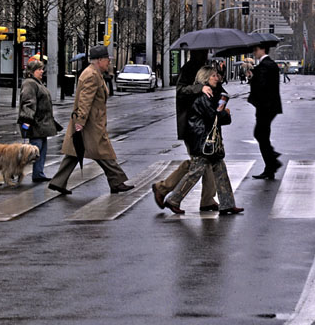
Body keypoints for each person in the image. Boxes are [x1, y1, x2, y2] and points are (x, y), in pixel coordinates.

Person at [48, 45, 134, 195]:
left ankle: (58, 182)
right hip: (91, 124)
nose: (109, 63)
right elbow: (85, 100)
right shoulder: (92, 75)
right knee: (104, 153)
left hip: (89, 122)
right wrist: (80, 122)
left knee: (75, 152)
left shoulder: (93, 72)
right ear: (99, 60)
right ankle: (117, 181)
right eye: (107, 60)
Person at [163, 66, 243, 215]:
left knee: (220, 169)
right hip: (202, 140)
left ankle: (227, 204)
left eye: (217, 75)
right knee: (195, 172)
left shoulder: (211, 94)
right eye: (213, 76)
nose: (216, 78)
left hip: (207, 140)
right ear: (205, 79)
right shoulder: (203, 97)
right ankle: (173, 199)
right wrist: (226, 114)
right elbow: (214, 117)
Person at [152, 49, 222, 212]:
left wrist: (217, 81)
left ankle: (207, 200)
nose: (205, 55)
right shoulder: (189, 68)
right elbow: (181, 90)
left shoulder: (205, 68)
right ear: (194, 52)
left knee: (206, 162)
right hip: (192, 126)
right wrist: (200, 88)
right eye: (202, 52)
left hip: (202, 126)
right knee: (198, 162)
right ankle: (163, 188)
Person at [17, 60, 61, 182]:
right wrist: (27, 120)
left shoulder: (37, 83)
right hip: (36, 123)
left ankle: (38, 173)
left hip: (42, 124)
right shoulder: (30, 84)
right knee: (33, 152)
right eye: (39, 69)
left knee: (41, 150)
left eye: (42, 69)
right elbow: (28, 102)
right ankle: (15, 171)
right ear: (32, 72)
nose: (42, 71)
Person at [248, 44, 283, 179]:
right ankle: (271, 165)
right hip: (269, 106)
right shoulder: (270, 65)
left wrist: (253, 77)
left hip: (265, 107)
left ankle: (272, 162)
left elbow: (261, 86)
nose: (254, 52)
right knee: (262, 135)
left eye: (255, 50)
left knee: (260, 134)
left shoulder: (265, 66)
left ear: (263, 49)